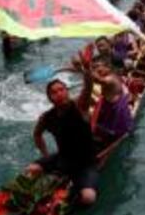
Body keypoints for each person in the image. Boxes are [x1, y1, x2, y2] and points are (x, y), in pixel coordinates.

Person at [27, 78, 100, 207]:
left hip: (86, 163)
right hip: (63, 158)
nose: (59, 94)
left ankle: (70, 194)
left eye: (61, 90)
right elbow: (37, 134)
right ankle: (54, 181)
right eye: (54, 92)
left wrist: (87, 73)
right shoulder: (47, 117)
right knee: (32, 169)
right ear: (50, 98)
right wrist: (45, 154)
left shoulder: (80, 106)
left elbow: (88, 87)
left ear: (67, 91)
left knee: (89, 197)